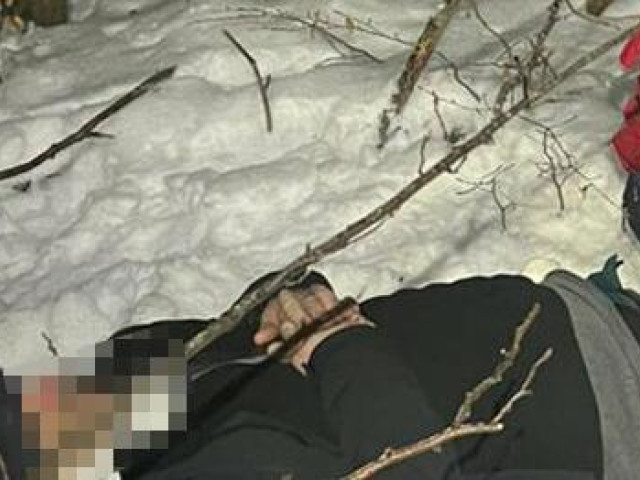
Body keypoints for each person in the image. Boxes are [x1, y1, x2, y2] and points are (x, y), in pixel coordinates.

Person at [1, 261, 639, 480]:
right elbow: (233, 350)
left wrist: (339, 344)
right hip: (578, 346)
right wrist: (302, 308)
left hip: (591, 400)